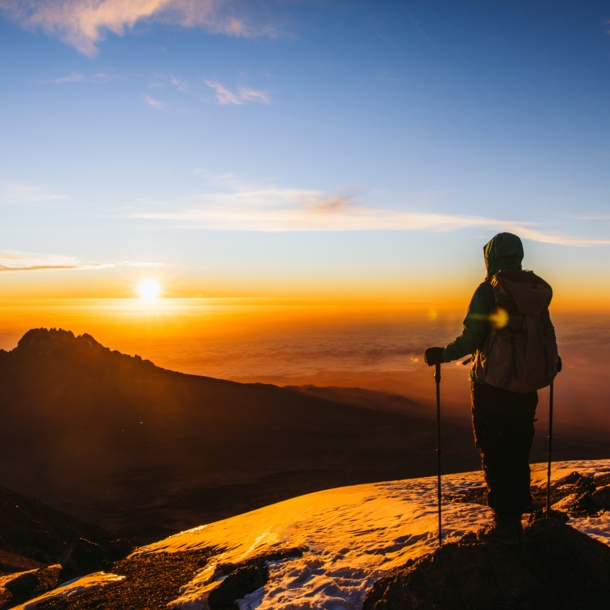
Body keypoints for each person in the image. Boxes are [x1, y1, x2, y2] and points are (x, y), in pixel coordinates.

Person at [424, 232, 558, 545]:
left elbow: (472, 338)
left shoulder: (489, 291)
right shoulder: (534, 291)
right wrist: (551, 364)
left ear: (490, 257)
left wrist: (442, 354)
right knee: (517, 449)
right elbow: (546, 335)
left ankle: (504, 525)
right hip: (527, 386)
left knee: (494, 450)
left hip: (490, 387)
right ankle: (516, 520)